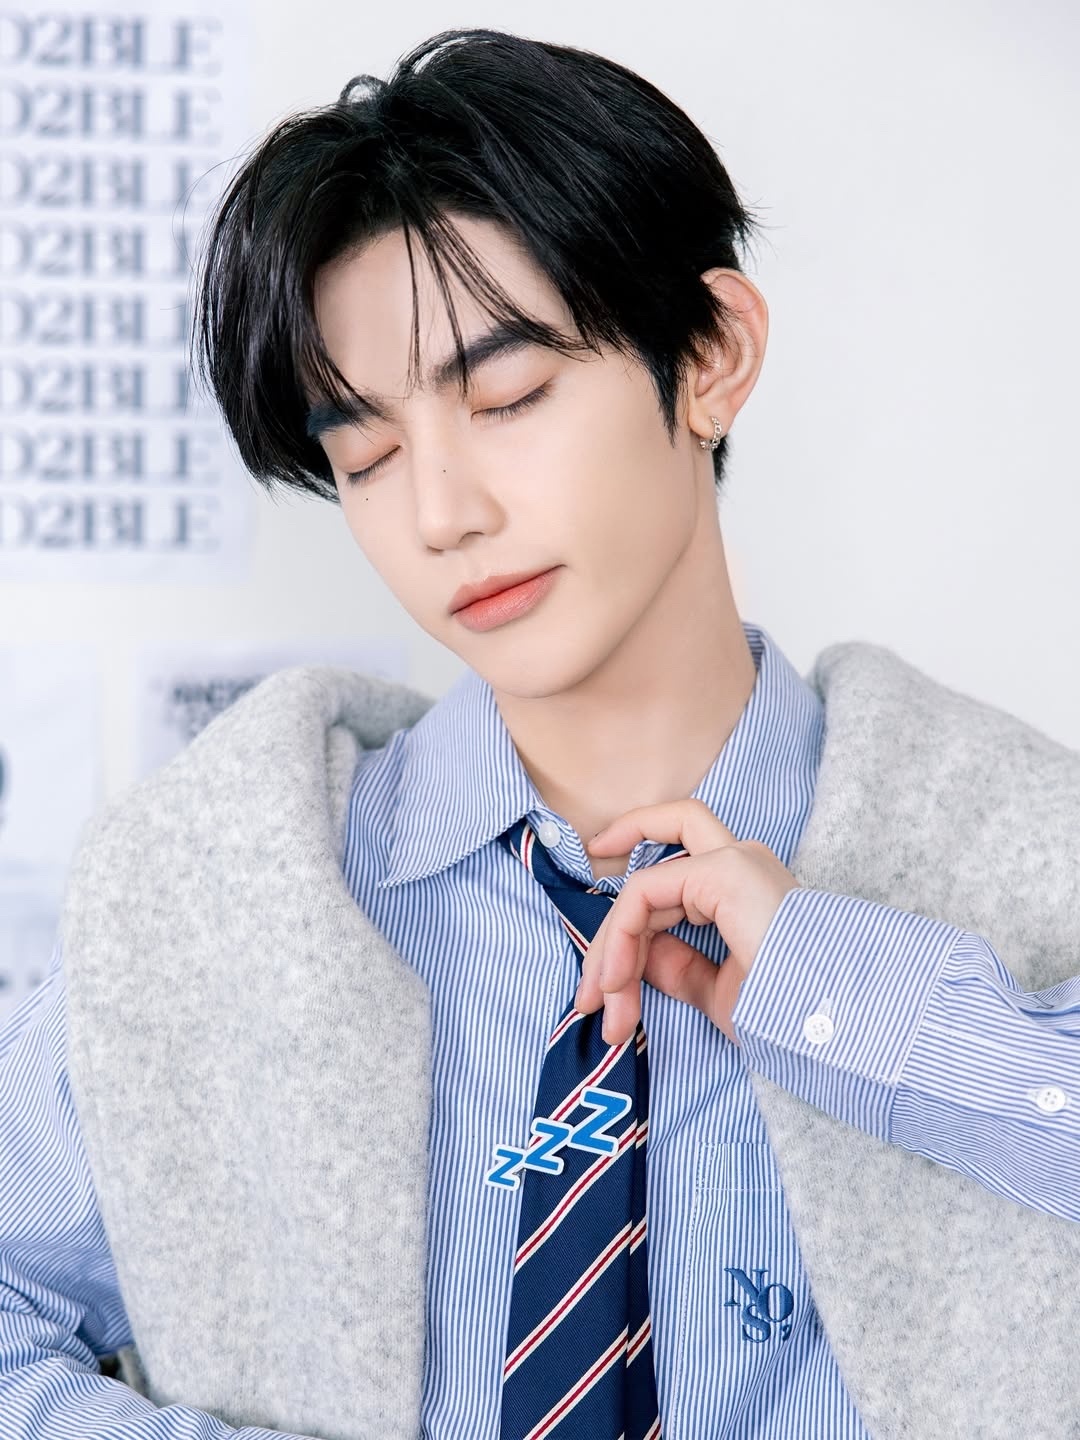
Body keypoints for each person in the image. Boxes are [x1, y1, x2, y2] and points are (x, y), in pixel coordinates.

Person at [1, 25, 1078, 1440]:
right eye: (368, 455)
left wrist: (842, 987)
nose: (442, 513)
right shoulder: (223, 891)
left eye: (507, 399)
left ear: (711, 357)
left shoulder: (1018, 842)